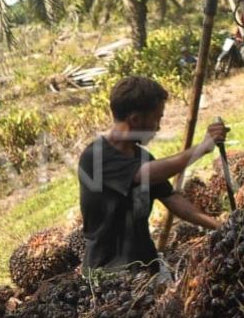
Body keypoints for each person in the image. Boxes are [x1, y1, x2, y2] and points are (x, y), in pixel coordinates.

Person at [77, 75, 228, 274]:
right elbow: (143, 174)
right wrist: (201, 149)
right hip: (107, 274)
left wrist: (221, 227)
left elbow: (173, 200)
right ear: (135, 119)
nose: (158, 127)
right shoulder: (95, 157)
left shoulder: (142, 156)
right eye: (157, 118)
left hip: (146, 266)